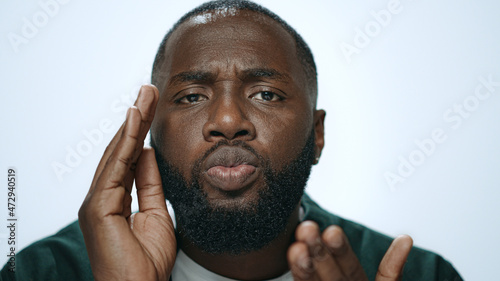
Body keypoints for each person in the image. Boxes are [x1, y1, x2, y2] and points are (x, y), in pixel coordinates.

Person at [1, 1, 462, 280]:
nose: (226, 120)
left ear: (317, 135)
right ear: (150, 132)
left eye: (266, 93)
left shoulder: (419, 276)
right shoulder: (43, 274)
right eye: (191, 96)